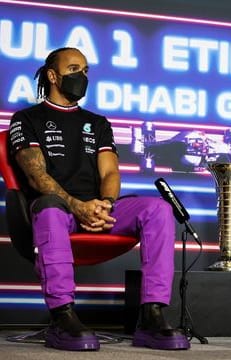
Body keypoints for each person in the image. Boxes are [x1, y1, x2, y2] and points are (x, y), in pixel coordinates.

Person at [8, 47, 189, 351]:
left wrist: (104, 204)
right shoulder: (26, 118)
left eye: (86, 70)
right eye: (74, 69)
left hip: (97, 210)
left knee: (158, 209)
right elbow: (35, 176)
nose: (82, 76)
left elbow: (110, 174)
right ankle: (62, 316)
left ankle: (151, 314)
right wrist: (77, 206)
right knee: (51, 209)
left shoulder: (98, 122)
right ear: (53, 76)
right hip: (56, 209)